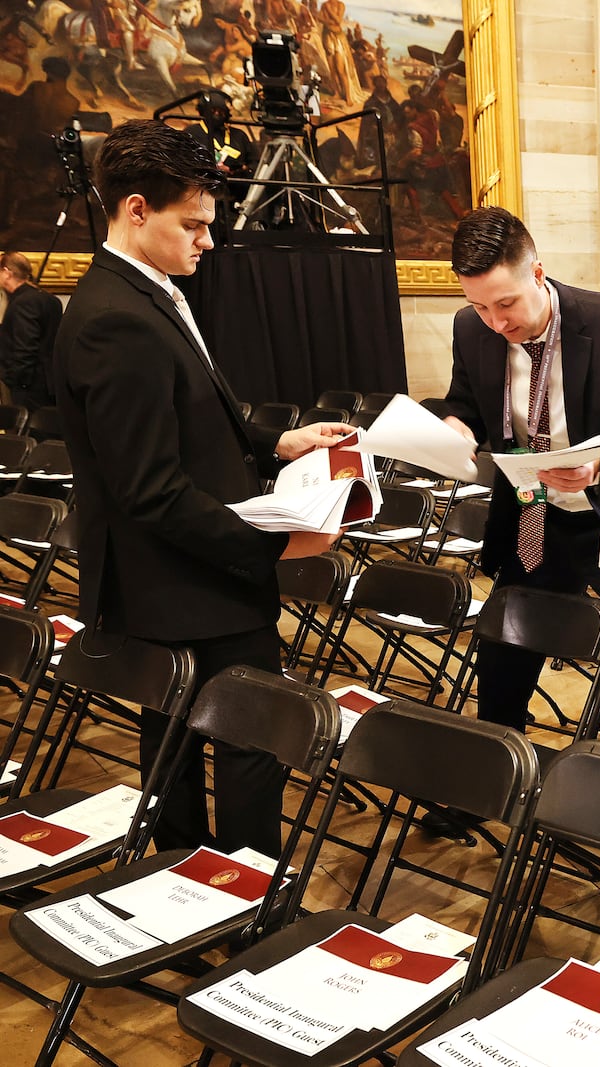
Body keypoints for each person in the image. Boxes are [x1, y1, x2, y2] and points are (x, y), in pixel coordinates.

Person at [54, 120, 350, 856]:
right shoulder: (117, 319)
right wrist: (275, 542)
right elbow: (151, 491)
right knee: (244, 748)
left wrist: (273, 442)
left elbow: (188, 411)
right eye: (193, 225)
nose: (208, 242)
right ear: (134, 210)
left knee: (178, 751)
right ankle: (240, 911)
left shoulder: (138, 292)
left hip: (183, 580)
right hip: (191, 585)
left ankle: (187, 887)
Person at [439, 207, 600, 801]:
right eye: (480, 306)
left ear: (538, 273)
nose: (494, 321)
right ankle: (487, 788)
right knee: (504, 650)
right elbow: (469, 404)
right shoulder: (471, 327)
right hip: (535, 518)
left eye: (505, 303)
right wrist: (453, 431)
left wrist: (596, 467)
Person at [184, 89, 255, 236]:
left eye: (221, 111)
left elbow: (255, 163)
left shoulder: (239, 136)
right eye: (213, 110)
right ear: (203, 111)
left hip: (237, 188)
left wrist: (238, 169)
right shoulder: (191, 133)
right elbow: (184, 163)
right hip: (205, 188)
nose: (217, 114)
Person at [0, 252, 62, 410]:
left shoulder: (23, 302)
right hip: (51, 384)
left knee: (27, 432)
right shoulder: (51, 299)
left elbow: (25, 348)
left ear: (7, 273)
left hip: (29, 389)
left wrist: (14, 381)